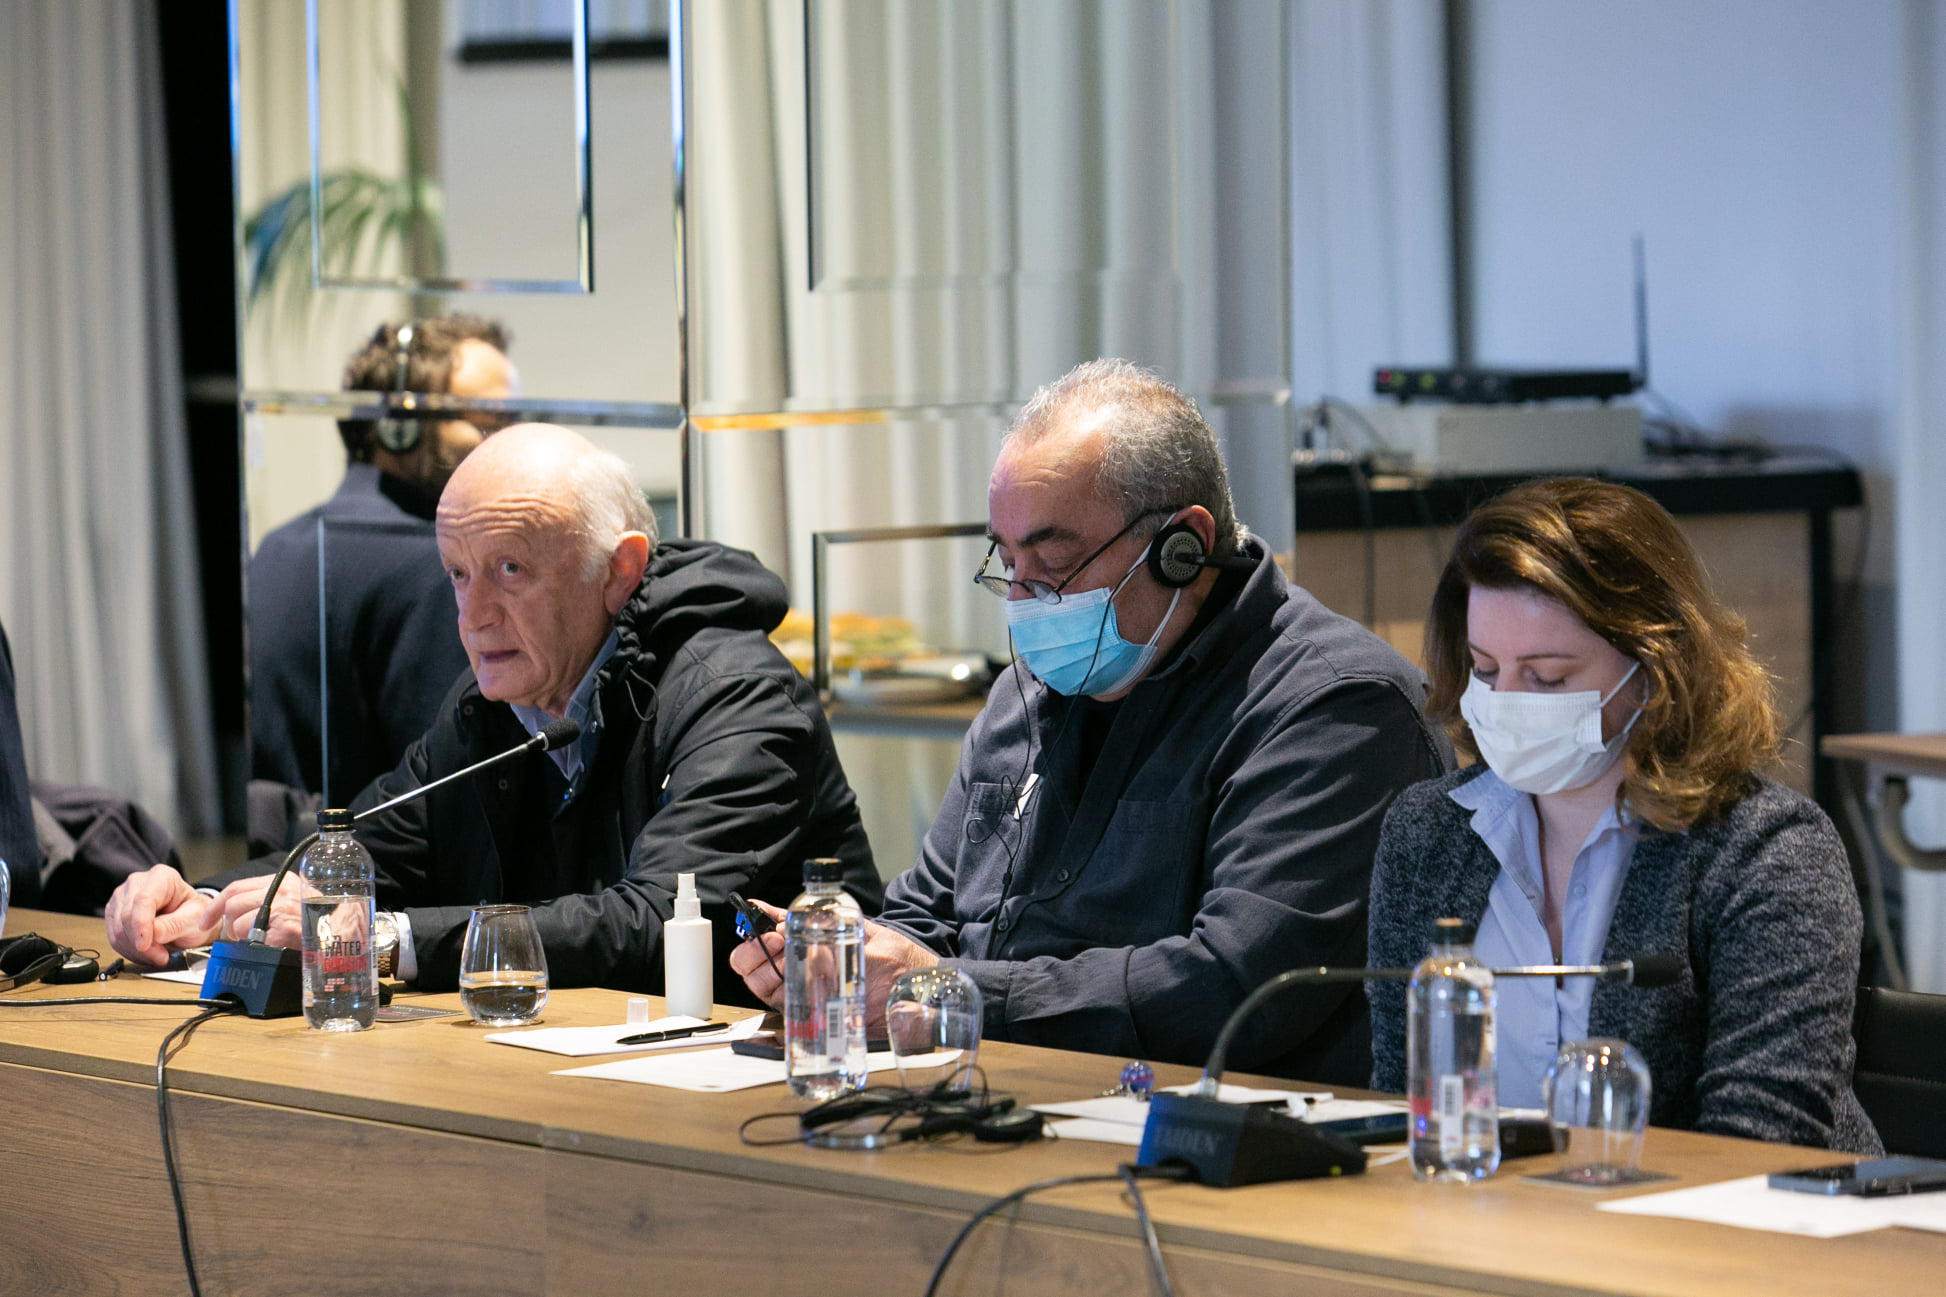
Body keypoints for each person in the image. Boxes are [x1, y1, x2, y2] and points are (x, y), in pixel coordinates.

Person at [731, 359, 1446, 1084]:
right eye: (1007, 560)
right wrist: (846, 966)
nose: (1022, 598)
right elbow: (925, 919)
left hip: (1221, 1128)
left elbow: (1234, 985)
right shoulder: (1024, 695)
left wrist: (948, 991)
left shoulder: (1336, 707)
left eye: (1053, 562)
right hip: (999, 1098)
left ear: (1183, 547)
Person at [106, 424, 882, 992]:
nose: (473, 617)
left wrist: (383, 941)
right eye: (457, 574)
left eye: (510, 569)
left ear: (619, 570)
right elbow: (368, 849)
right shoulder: (493, 704)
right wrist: (205, 904)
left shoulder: (735, 693)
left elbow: (660, 922)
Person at [1366, 478, 1879, 1152]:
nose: (1506, 701)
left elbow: (1760, 1144)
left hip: (1716, 1215)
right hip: (1489, 1212)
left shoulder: (1768, 852)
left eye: (1547, 677)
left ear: (1653, 668)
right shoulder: (1427, 835)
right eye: (1486, 670)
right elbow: (1400, 1113)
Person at [249, 316, 517, 806]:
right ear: (398, 428)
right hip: (376, 853)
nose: (507, 443)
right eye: (489, 419)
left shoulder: (277, 547)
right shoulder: (436, 567)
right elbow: (449, 788)